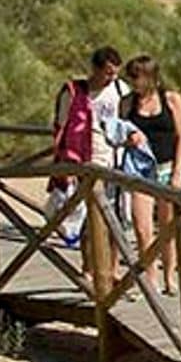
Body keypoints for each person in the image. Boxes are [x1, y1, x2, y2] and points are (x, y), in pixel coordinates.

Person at [51, 47, 127, 259]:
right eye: (108, 72)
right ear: (95, 68)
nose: (112, 77)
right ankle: (88, 267)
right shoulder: (74, 92)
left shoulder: (121, 90)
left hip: (115, 160)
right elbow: (61, 126)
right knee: (89, 217)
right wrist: (62, 162)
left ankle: (110, 268)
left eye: (115, 73)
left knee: (113, 217)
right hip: (84, 159)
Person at [120, 55, 181, 296]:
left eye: (136, 77)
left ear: (150, 77)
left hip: (166, 167)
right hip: (139, 170)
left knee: (168, 226)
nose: (132, 83)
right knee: (142, 227)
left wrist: (178, 170)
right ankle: (150, 276)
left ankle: (170, 275)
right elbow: (118, 133)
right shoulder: (127, 103)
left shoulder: (171, 100)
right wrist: (128, 139)